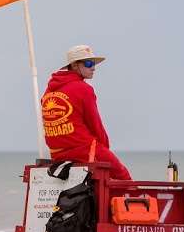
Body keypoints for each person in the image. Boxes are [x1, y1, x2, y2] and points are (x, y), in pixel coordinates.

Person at [40, 45, 132, 180]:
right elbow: (96, 125)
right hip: (83, 150)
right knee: (123, 177)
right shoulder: (84, 89)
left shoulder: (48, 92)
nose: (93, 67)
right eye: (89, 63)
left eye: (94, 63)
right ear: (75, 65)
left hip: (57, 155)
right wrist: (104, 150)